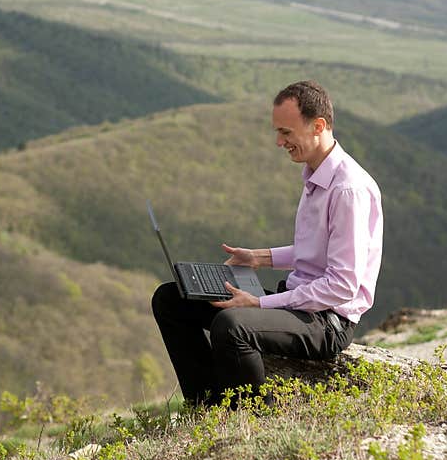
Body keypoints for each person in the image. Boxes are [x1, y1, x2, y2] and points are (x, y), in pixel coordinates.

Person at [151, 80, 383, 407]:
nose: (279, 142)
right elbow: (314, 252)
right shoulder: (316, 175)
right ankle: (206, 406)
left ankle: (254, 415)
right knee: (171, 298)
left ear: (319, 126)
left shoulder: (348, 190)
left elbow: (342, 287)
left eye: (286, 132)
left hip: (327, 321)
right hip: (300, 304)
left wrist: (259, 305)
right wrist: (257, 258)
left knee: (232, 326)